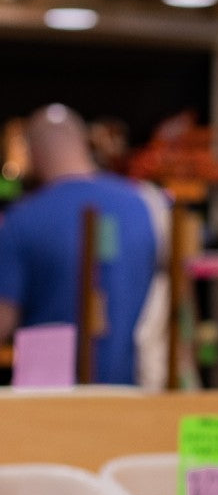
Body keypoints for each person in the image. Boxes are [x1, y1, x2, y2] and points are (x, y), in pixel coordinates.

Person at [0, 104, 160, 384]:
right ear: (83, 144)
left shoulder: (22, 219)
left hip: (46, 392)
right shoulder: (141, 206)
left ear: (32, 153)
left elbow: (3, 319)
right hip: (128, 389)